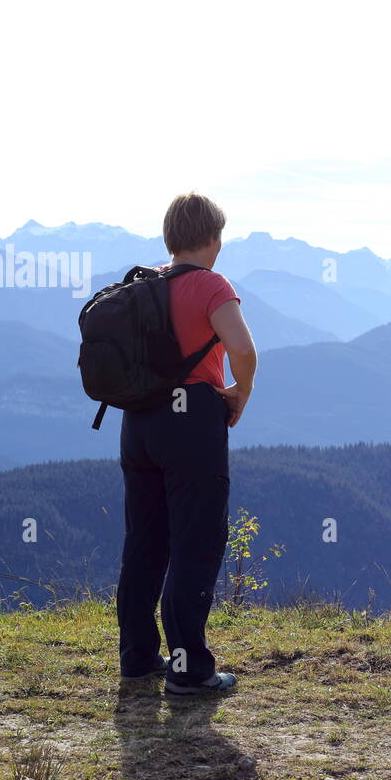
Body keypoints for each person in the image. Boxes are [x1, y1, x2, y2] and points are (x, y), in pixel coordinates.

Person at [115, 193, 257, 694]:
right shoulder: (211, 285)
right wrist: (241, 392)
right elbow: (241, 347)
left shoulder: (144, 285)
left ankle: (137, 657)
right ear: (213, 239)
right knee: (195, 542)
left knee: (144, 542)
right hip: (189, 421)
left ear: (170, 238)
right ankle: (188, 669)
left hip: (137, 422)